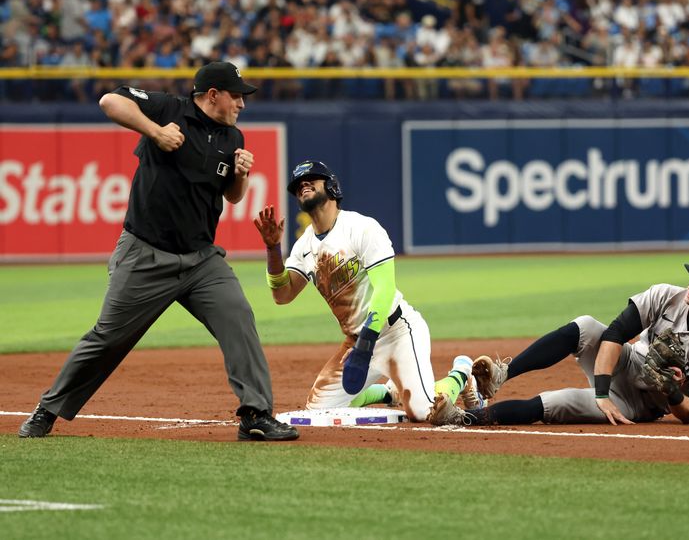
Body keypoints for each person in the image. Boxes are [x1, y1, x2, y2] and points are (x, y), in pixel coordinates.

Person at [18, 61, 298, 442]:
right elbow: (108, 101)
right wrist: (154, 131)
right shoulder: (169, 110)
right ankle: (47, 410)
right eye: (236, 96)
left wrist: (241, 175)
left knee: (238, 317)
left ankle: (255, 414)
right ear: (212, 95)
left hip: (202, 260)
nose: (242, 105)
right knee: (108, 338)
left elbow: (231, 197)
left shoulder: (234, 138)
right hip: (147, 255)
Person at [253, 160, 484, 422]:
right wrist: (272, 249)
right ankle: (390, 393)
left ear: (331, 187)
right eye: (298, 185)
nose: (303, 184)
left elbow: (384, 289)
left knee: (423, 411)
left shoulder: (362, 227)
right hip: (356, 342)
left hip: (396, 332)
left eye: (312, 179)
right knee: (319, 411)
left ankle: (462, 375)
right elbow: (282, 295)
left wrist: (366, 342)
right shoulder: (304, 245)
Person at [428, 256, 689, 427]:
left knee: (554, 402)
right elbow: (616, 333)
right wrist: (602, 392)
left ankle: (461, 418)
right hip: (630, 363)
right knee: (586, 325)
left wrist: (673, 392)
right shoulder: (666, 295)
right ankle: (501, 375)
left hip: (641, 404)